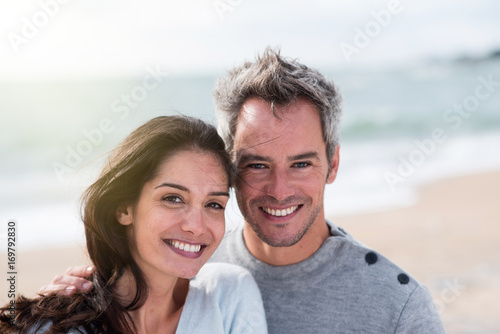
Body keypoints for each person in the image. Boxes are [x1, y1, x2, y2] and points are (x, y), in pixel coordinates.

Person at [38, 48, 445, 333]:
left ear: (333, 164)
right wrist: (69, 306)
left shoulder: (398, 305)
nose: (279, 189)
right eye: (257, 165)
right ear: (229, 169)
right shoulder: (189, 257)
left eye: (301, 163)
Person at [0, 116, 267, 333]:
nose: (196, 226)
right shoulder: (51, 328)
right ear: (124, 209)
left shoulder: (230, 295)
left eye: (214, 204)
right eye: (173, 198)